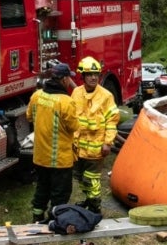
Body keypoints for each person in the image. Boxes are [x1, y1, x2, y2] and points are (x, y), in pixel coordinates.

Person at [28, 62, 80, 222]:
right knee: (60, 193)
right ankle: (55, 220)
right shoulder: (66, 102)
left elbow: (29, 116)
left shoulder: (37, 96)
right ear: (64, 80)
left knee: (42, 188)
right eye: (68, 79)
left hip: (40, 156)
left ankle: (37, 216)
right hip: (60, 159)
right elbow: (74, 126)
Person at [71, 57, 119, 214]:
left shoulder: (106, 96)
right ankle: (88, 199)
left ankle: (95, 207)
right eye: (90, 74)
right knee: (79, 177)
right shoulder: (76, 93)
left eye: (96, 74)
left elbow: (111, 122)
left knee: (91, 179)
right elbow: (71, 118)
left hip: (96, 148)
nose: (93, 77)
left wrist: (108, 143)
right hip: (78, 148)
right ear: (83, 76)